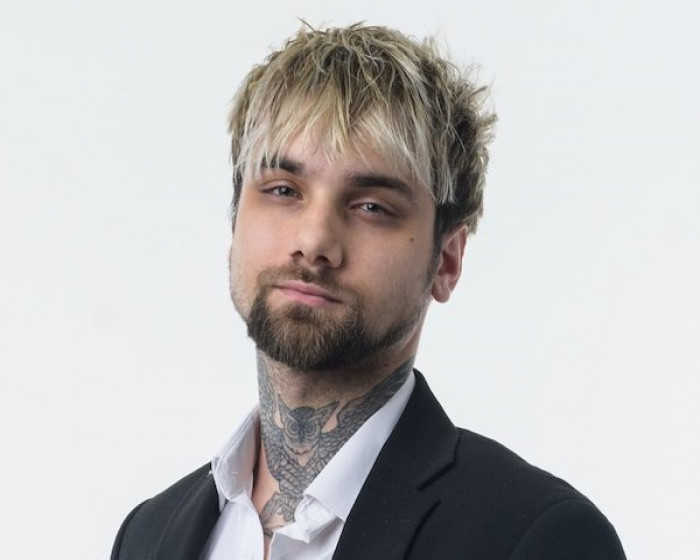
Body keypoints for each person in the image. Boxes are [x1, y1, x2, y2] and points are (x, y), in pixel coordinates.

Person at [111, 23, 626, 560]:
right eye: (283, 190)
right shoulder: (147, 535)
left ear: (446, 260)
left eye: (372, 207)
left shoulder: (538, 536)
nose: (314, 242)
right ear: (235, 223)